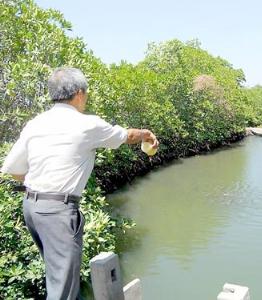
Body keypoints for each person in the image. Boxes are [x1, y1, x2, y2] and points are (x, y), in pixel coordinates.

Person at [0, 67, 159, 299]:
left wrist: (43, 184)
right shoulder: (86, 124)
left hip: (32, 208)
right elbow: (127, 136)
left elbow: (14, 170)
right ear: (78, 93)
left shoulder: (35, 123)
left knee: (59, 276)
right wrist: (146, 133)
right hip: (58, 213)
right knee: (62, 290)